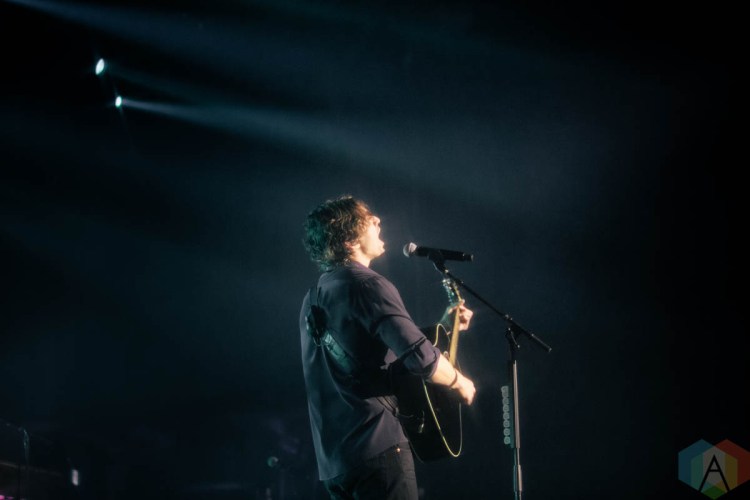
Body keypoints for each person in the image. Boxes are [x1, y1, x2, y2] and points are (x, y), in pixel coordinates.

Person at [299, 195, 476, 499]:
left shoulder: (313, 296)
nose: (377, 220)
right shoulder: (368, 284)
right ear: (349, 239)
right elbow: (421, 360)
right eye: (367, 218)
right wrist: (460, 381)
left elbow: (366, 360)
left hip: (335, 463)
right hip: (377, 449)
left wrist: (444, 328)